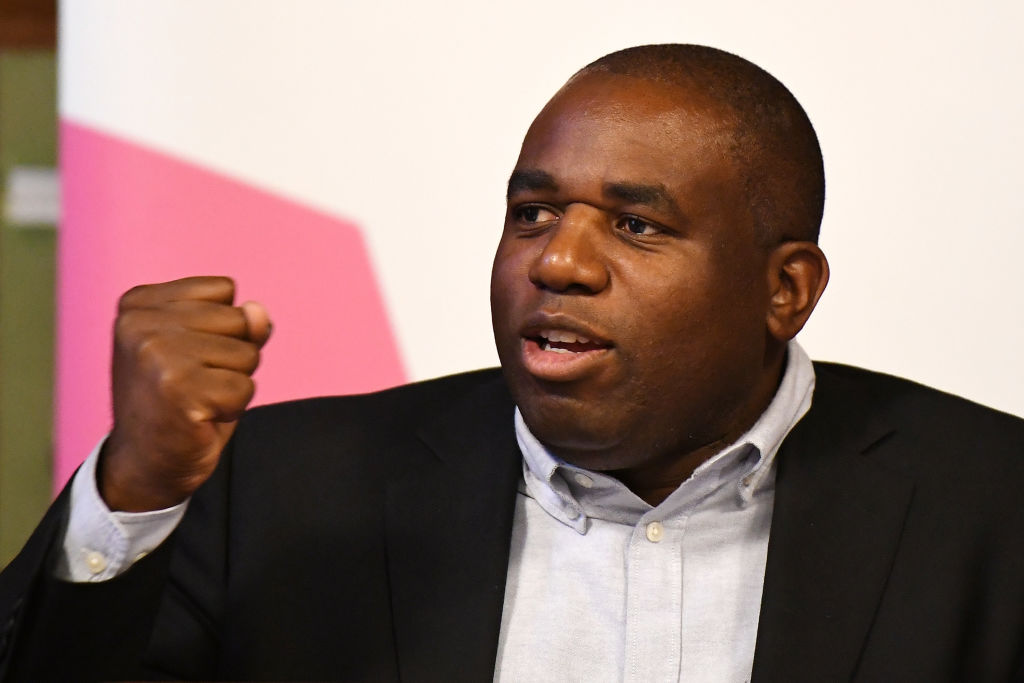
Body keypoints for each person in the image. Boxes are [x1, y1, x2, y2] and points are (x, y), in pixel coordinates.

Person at [1, 44, 1022, 682]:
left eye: (635, 224)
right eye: (532, 212)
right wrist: (133, 491)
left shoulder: (992, 504)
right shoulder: (278, 487)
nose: (557, 261)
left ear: (784, 288)